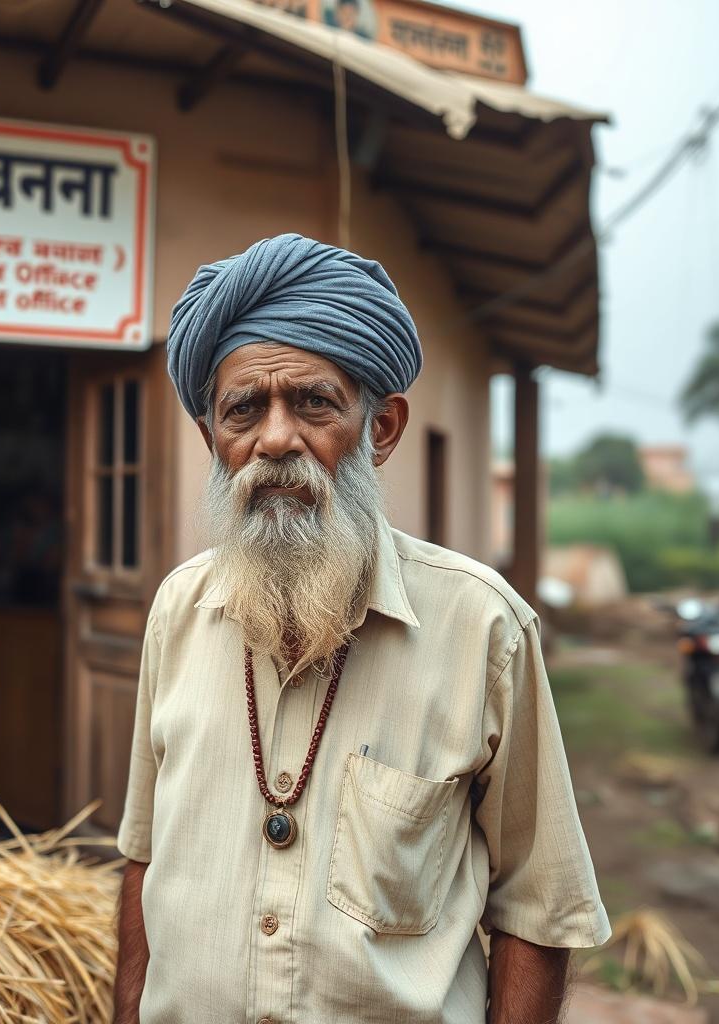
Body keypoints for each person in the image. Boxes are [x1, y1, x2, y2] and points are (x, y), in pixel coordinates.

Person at [114, 234, 610, 1024]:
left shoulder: (483, 626)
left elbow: (539, 911)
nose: (276, 439)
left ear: (381, 430)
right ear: (214, 440)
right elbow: (144, 860)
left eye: (313, 403)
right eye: (244, 410)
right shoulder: (177, 611)